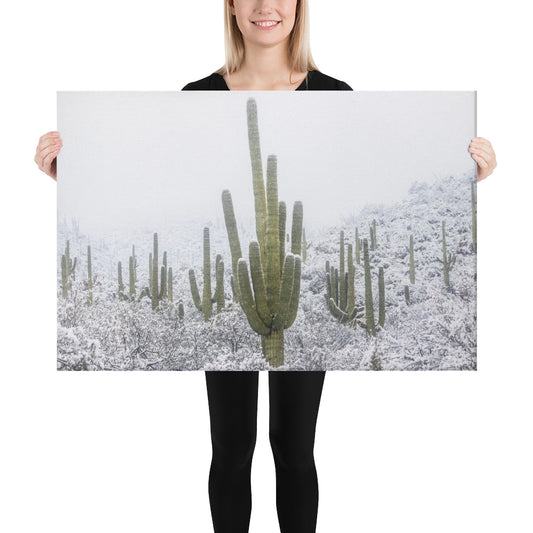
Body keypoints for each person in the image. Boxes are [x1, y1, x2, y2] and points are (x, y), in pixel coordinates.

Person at [34, 1, 497, 532]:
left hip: (300, 294)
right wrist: (72, 177)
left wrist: (463, 177)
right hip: (232, 294)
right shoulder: (197, 99)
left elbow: (370, 178)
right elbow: (165, 183)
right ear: (230, 8)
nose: (265, 7)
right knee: (231, 451)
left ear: (299, 9)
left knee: (295, 451)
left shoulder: (333, 97)